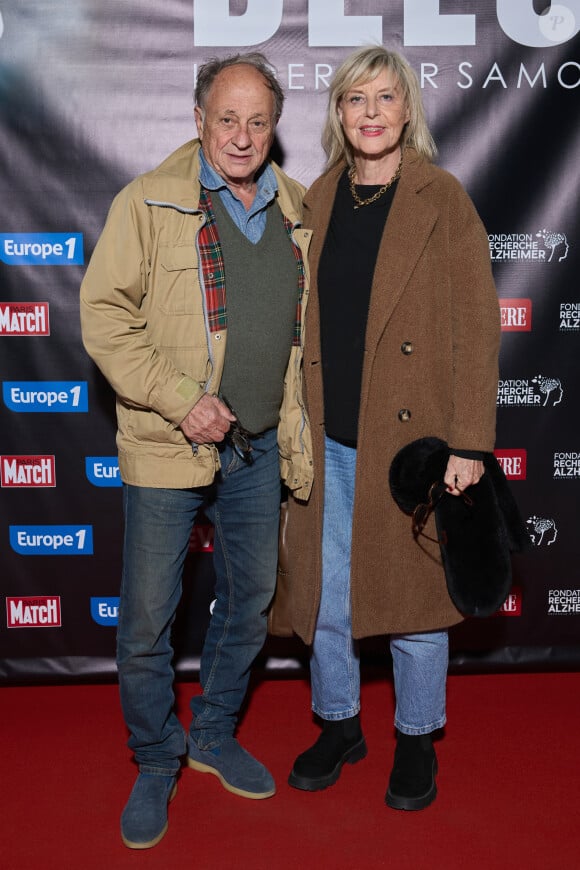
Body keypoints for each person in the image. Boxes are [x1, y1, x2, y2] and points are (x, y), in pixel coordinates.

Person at [80, 52, 312, 849]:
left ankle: (212, 732)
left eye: (258, 121)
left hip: (256, 449)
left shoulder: (295, 209)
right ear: (198, 117)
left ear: (275, 128)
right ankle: (155, 759)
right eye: (227, 118)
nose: (241, 135)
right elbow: (106, 317)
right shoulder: (147, 201)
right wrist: (184, 401)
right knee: (147, 618)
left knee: (248, 601)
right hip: (167, 446)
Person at [287, 46, 500, 810]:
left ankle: (417, 738)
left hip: (411, 447)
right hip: (330, 437)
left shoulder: (443, 198)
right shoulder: (316, 198)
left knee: (413, 601)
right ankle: (341, 724)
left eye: (385, 98)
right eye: (355, 99)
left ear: (408, 109)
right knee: (327, 597)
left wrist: (471, 442)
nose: (371, 112)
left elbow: (477, 330)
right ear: (339, 113)